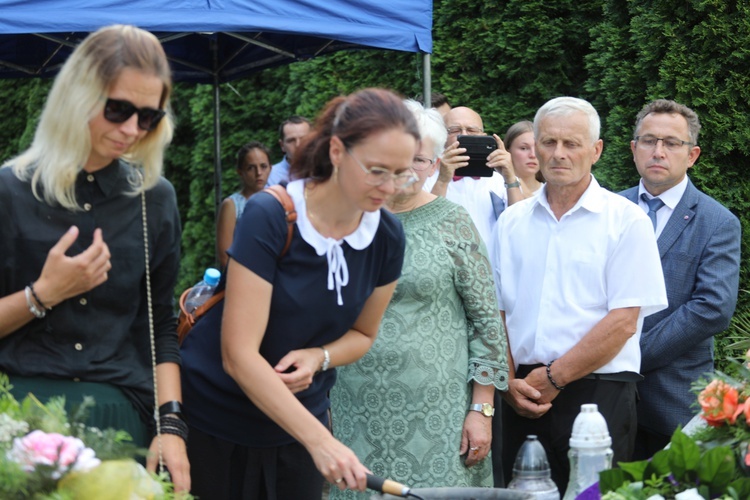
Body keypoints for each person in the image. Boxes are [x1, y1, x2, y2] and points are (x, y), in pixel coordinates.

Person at [180, 88, 419, 499]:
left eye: (402, 174)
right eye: (378, 170)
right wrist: (321, 441)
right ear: (338, 151)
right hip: (218, 422)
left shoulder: (387, 235)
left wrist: (319, 356)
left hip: (298, 424)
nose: (390, 187)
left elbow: (363, 335)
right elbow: (238, 355)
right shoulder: (270, 215)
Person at [0, 25, 189, 492]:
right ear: (77, 97)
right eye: (118, 109)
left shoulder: (154, 199)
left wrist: (172, 428)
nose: (131, 130)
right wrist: (43, 295)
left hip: (119, 414)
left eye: (148, 117)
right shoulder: (8, 191)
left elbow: (158, 325)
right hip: (17, 413)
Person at [329, 100, 509, 497]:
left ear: (435, 165)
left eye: (420, 160)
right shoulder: (346, 222)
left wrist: (481, 410)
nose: (407, 170)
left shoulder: (452, 221)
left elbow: (486, 321)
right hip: (354, 407)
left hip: (440, 415)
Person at [491, 96, 668, 492]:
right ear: (534, 147)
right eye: (549, 142)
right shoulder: (511, 222)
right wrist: (506, 381)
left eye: (571, 144)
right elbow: (496, 312)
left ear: (596, 150)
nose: (559, 154)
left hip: (598, 393)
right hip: (520, 394)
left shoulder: (626, 221)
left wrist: (555, 376)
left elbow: (624, 321)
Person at [619, 99, 741, 459]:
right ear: (634, 148)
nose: (659, 151)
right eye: (649, 140)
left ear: (692, 155)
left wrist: (627, 355)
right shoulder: (609, 210)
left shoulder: (717, 222)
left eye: (672, 143)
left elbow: (712, 308)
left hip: (673, 400)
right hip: (604, 398)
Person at [425, 106, 522, 247]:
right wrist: (443, 179)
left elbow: (520, 223)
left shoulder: (499, 179)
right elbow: (426, 224)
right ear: (442, 137)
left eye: (471, 130)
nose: (464, 135)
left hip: (492, 263)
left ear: (483, 136)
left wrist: (510, 177)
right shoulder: (428, 178)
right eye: (455, 130)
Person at [216, 141, 272, 267]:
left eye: (263, 166)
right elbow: (225, 257)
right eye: (251, 168)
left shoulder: (278, 200)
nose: (259, 173)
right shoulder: (232, 205)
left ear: (271, 168)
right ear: (240, 172)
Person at [266, 115, 311, 187]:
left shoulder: (326, 171)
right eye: (291, 141)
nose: (298, 145)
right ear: (282, 145)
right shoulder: (269, 177)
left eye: (304, 139)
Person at [504, 120, 542, 197]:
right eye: (524, 148)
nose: (533, 155)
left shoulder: (552, 193)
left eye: (537, 148)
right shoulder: (494, 188)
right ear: (508, 151)